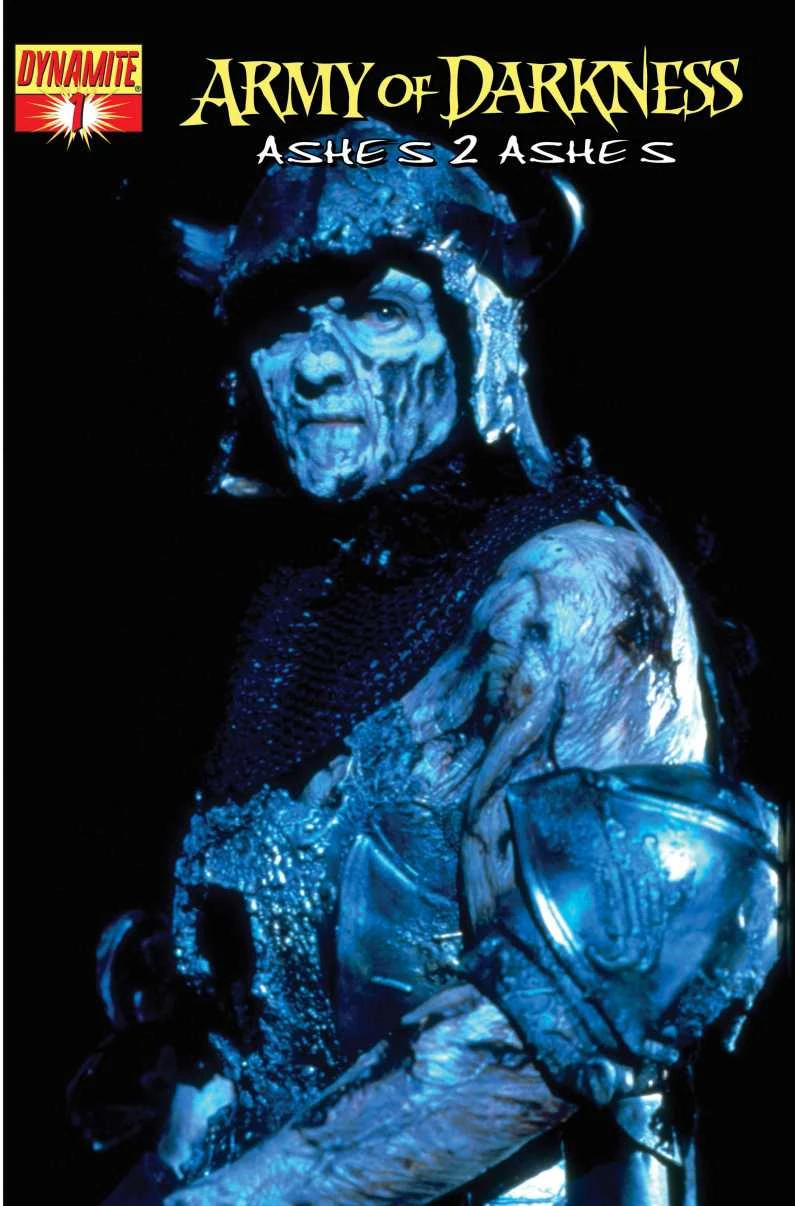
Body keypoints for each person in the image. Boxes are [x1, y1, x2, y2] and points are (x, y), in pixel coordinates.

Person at [88, 122, 779, 1205]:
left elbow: (560, 1018)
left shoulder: (573, 588)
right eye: (280, 319)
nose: (314, 364)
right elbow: (236, 1029)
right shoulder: (299, 615)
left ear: (474, 323)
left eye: (376, 311)